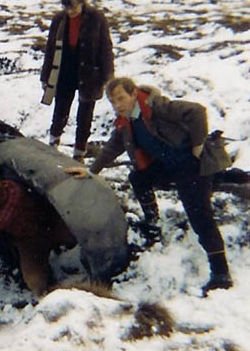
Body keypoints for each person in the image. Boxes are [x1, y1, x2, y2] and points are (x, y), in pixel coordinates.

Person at [65, 77, 233, 296]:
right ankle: (152, 223)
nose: (117, 105)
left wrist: (198, 146)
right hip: (168, 166)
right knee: (139, 178)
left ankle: (221, 273)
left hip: (192, 165)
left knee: (200, 216)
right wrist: (90, 171)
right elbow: (112, 148)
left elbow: (197, 112)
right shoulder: (126, 122)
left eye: (121, 98)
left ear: (134, 93)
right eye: (113, 102)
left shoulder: (158, 107)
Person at [40, 0, 114, 161]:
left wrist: (108, 76)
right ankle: (53, 145)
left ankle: (79, 153)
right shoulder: (59, 19)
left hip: (90, 74)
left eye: (73, 7)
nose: (70, 11)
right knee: (60, 110)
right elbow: (50, 49)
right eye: (66, 7)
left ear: (82, 2)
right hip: (65, 72)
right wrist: (46, 76)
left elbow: (106, 48)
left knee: (85, 116)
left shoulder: (97, 18)